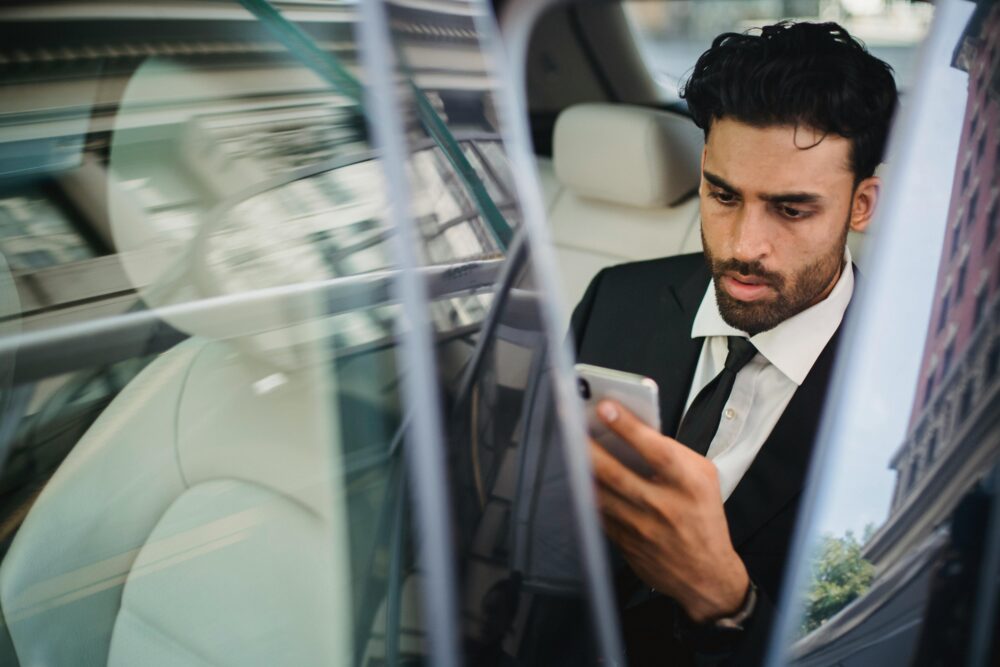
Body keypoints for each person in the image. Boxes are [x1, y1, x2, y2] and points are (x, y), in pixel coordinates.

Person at [570, 21, 898, 665]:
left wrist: (729, 605)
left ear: (861, 206)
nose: (744, 246)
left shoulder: (906, 395)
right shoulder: (616, 300)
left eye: (791, 209)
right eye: (722, 195)